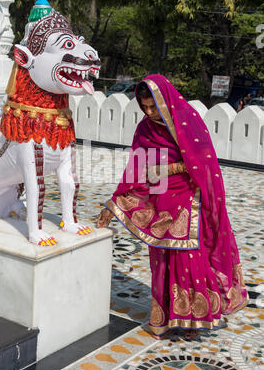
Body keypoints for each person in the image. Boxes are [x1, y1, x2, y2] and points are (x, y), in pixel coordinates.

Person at [97, 74, 249, 340]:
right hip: (159, 198)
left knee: (186, 255)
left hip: (188, 196)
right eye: (144, 107)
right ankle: (164, 319)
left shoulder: (187, 122)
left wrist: (169, 168)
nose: (149, 112)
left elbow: (203, 163)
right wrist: (114, 202)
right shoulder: (145, 129)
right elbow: (136, 170)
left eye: (153, 106)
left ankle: (195, 320)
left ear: (165, 100)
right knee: (161, 258)